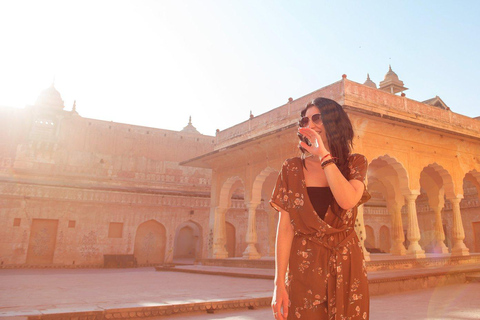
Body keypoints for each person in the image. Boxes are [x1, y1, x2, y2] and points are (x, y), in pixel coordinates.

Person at [270, 97, 371, 320]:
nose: (310, 124)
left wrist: (324, 156)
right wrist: (279, 284)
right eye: (305, 120)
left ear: (334, 122)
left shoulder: (355, 163)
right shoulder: (292, 168)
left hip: (347, 264)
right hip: (305, 267)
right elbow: (285, 229)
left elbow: (347, 200)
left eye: (318, 118)